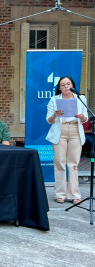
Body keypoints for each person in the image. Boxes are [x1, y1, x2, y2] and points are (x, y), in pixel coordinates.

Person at [46, 76, 88, 205]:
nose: (66, 87)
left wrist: (82, 117)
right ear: (59, 88)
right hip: (60, 131)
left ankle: (74, 194)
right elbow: (48, 119)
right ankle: (60, 194)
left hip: (75, 130)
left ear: (72, 85)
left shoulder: (80, 98)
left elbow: (85, 118)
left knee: (73, 164)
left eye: (68, 84)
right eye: (62, 85)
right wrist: (55, 115)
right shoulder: (54, 99)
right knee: (60, 162)